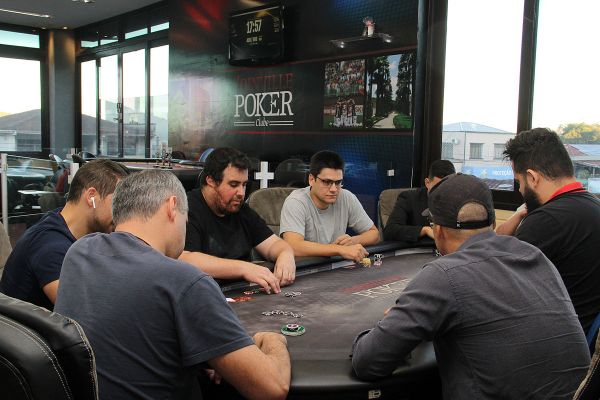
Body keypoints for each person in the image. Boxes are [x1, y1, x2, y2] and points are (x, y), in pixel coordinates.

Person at [55, 170, 291, 400]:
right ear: (172, 206)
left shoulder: (79, 252)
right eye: (185, 220)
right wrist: (273, 339)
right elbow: (272, 388)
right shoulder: (185, 282)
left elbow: (132, 334)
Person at [352, 173, 590, 399]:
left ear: (438, 230)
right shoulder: (534, 255)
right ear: (493, 222)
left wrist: (391, 323)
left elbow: (368, 362)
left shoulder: (443, 275)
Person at [497, 128, 600, 332]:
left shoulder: (546, 221)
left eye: (519, 182)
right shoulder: (592, 205)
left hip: (558, 339)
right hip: (585, 333)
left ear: (532, 178)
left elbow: (500, 287)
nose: (520, 190)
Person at [0, 159, 129, 309]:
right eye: (117, 203)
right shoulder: (50, 245)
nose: (122, 213)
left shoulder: (61, 220)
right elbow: (83, 311)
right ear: (91, 196)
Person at [179, 147, 296, 294]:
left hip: (239, 293)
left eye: (244, 185)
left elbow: (273, 244)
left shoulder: (241, 211)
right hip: (201, 294)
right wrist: (244, 268)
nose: (241, 193)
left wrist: (286, 255)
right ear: (211, 181)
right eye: (233, 185)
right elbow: (185, 259)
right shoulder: (186, 210)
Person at [280, 150, 379, 262]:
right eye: (326, 182)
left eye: (338, 182)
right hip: (304, 268)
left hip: (334, 265)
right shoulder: (296, 201)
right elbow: (293, 246)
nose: (333, 189)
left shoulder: (346, 197)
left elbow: (374, 234)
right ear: (311, 179)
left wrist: (353, 241)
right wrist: (339, 249)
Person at [383, 159, 455, 245]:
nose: (442, 193)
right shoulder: (409, 198)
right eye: (438, 187)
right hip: (421, 249)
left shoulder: (457, 200)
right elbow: (390, 231)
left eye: (447, 188)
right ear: (427, 183)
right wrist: (424, 230)